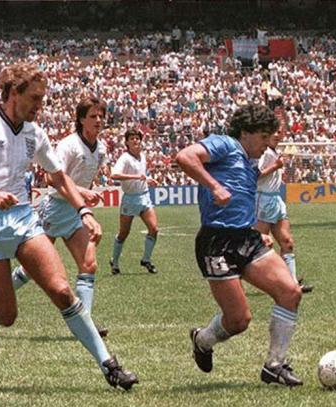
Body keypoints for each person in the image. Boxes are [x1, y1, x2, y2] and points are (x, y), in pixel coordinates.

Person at [0, 63, 137, 390]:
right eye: (34, 98)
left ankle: (109, 366)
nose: (39, 106)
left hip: (22, 219)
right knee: (5, 315)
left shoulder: (35, 133)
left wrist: (84, 210)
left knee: (61, 290)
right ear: (13, 92)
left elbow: (58, 176)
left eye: (43, 99)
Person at [176, 104, 304, 386]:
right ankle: (203, 339)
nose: (267, 143)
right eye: (263, 136)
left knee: (290, 292)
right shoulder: (224, 144)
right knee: (238, 321)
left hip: (246, 238)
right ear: (245, 133)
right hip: (216, 242)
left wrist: (257, 230)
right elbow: (185, 157)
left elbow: (243, 194)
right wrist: (213, 186)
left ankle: (275, 365)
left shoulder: (250, 161)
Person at [9, 96, 111, 337]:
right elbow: (51, 179)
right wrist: (83, 193)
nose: (98, 120)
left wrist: (84, 196)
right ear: (81, 119)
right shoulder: (69, 145)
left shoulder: (102, 148)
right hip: (55, 209)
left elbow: (84, 178)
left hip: (76, 212)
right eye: (93, 116)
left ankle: (84, 324)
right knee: (31, 269)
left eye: (101, 116)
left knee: (89, 264)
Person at [254, 114, 313, 293]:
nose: (278, 135)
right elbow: (254, 175)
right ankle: (239, 280)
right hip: (263, 199)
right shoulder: (263, 153)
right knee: (259, 246)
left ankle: (292, 284)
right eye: (274, 132)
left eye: (280, 132)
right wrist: (275, 167)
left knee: (287, 242)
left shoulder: (273, 152)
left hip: (275, 199)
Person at [109, 129, 159, 274]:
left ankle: (146, 260)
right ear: (127, 142)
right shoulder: (124, 158)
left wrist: (149, 179)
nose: (135, 141)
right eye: (132, 139)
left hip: (144, 196)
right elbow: (114, 175)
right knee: (124, 233)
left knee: (154, 229)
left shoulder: (142, 156)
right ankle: (115, 262)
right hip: (130, 199)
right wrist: (136, 177)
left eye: (137, 138)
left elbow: (143, 175)